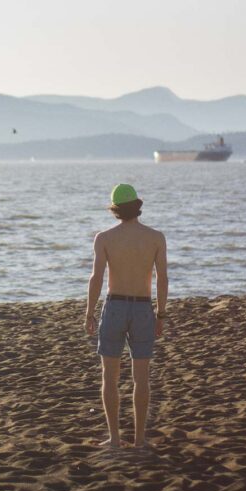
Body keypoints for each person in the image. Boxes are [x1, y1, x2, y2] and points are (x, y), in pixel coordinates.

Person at [85, 183, 168, 449]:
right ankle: (140, 439)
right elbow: (163, 279)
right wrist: (161, 314)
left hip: (115, 306)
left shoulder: (104, 238)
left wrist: (89, 312)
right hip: (143, 307)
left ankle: (115, 439)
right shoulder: (156, 237)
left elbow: (96, 278)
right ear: (137, 206)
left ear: (115, 210)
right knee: (140, 378)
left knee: (109, 377)